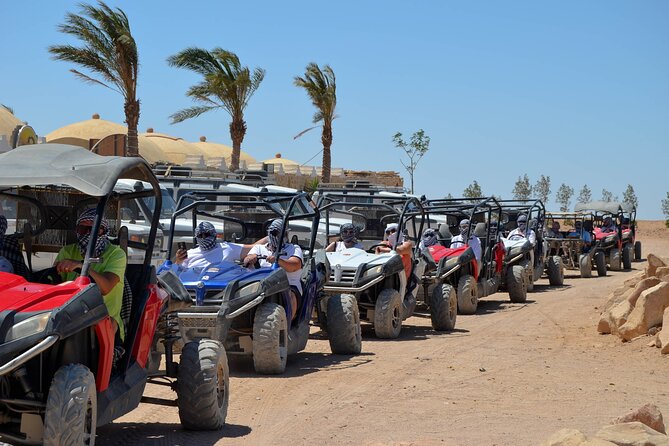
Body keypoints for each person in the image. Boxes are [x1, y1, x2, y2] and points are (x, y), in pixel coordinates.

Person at [54, 208, 127, 340]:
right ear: (77, 231)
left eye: (94, 231)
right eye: (83, 229)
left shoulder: (116, 254)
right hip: (68, 316)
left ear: (104, 231)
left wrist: (81, 266)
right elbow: (52, 282)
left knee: (92, 330)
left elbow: (106, 287)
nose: (89, 235)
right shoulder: (67, 251)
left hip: (103, 317)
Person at [243, 219, 303, 320]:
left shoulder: (293, 248)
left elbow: (294, 265)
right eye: (276, 233)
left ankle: (288, 325)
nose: (281, 236)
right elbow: (247, 259)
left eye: (284, 233)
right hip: (259, 286)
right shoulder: (259, 248)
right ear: (270, 233)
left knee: (291, 295)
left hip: (288, 285)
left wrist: (278, 260)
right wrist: (250, 258)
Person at [174, 221, 260, 270]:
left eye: (206, 235)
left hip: (223, 287)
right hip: (195, 287)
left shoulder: (227, 248)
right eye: (200, 236)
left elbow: (255, 247)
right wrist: (178, 261)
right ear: (196, 237)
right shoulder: (189, 254)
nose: (203, 238)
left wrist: (268, 238)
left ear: (214, 235)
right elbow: (178, 272)